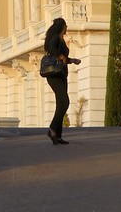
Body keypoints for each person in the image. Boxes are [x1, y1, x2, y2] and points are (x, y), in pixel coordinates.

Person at [40, 16, 80, 144]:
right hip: (54, 75)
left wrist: (72, 60)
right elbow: (52, 50)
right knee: (65, 101)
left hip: (61, 74)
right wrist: (62, 56)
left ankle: (57, 135)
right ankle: (52, 129)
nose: (67, 28)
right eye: (66, 26)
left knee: (61, 103)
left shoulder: (61, 39)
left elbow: (61, 58)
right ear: (62, 27)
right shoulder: (56, 38)